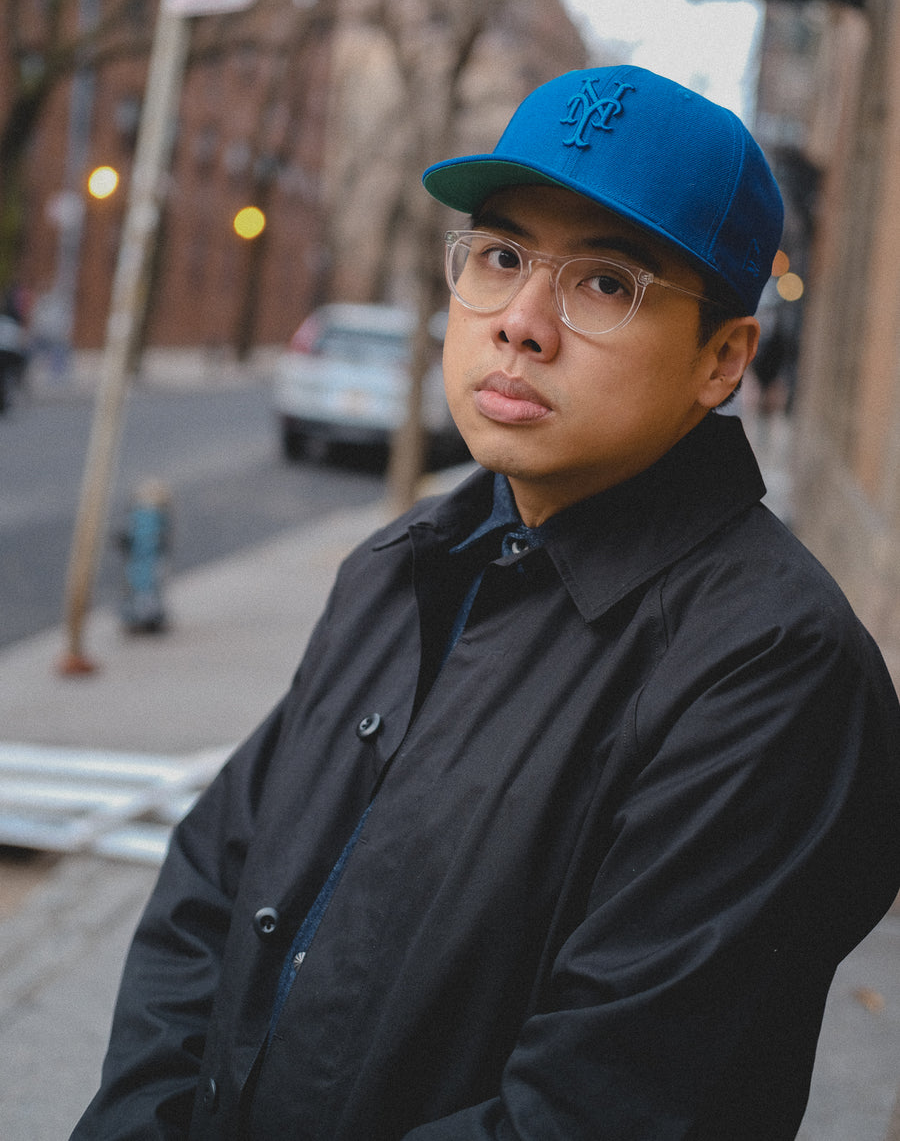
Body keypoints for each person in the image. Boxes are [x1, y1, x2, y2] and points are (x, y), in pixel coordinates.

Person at [71, 66, 900, 1141]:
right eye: (503, 257)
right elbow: (208, 888)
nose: (521, 323)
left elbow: (606, 1110)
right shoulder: (405, 563)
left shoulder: (775, 676)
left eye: (607, 282)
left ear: (723, 359)